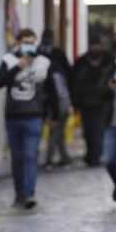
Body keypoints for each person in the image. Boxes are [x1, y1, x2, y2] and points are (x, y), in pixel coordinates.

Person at [0, 28, 60, 210]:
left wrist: (54, 114)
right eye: (25, 42)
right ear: (18, 42)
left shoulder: (43, 62)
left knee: (30, 156)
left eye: (32, 42)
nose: (28, 46)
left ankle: (30, 193)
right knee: (17, 157)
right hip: (13, 116)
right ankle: (19, 194)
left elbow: (51, 89)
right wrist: (18, 67)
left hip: (34, 116)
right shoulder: (8, 60)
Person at [70, 41, 116, 167]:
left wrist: (76, 105)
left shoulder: (88, 70)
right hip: (95, 107)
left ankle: (93, 155)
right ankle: (94, 155)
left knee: (92, 133)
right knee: (95, 133)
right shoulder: (100, 71)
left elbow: (76, 90)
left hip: (92, 107)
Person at [37, 29, 73, 169]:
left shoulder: (55, 76)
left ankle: (50, 159)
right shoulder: (59, 69)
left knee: (55, 132)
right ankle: (64, 158)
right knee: (58, 133)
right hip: (59, 104)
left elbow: (56, 94)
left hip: (57, 105)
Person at [102, 42, 116, 201]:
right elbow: (98, 90)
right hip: (113, 124)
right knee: (108, 160)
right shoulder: (111, 69)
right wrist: (108, 88)